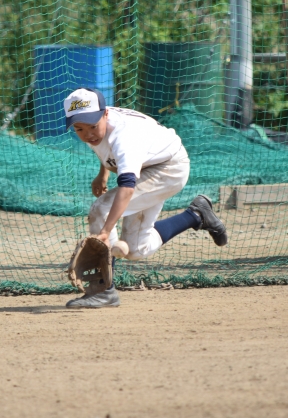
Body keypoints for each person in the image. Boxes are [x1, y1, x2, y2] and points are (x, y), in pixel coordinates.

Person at [64, 88, 228, 309]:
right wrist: (102, 174)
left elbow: (127, 187)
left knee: (101, 209)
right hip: (148, 166)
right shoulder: (93, 124)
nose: (88, 133)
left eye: (92, 126)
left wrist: (105, 232)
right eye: (79, 128)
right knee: (136, 249)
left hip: (168, 168)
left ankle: (103, 291)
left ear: (105, 114)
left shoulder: (124, 135)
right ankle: (197, 215)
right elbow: (105, 149)